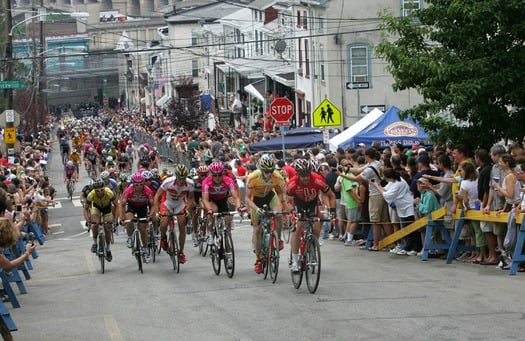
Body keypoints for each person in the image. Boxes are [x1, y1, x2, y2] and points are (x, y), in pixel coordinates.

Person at [286, 159, 336, 272]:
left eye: (307, 175)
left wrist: (333, 212)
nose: (306, 178)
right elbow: (287, 200)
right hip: (298, 204)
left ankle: (313, 248)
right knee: (297, 229)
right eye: (302, 176)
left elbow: (331, 195)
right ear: (297, 174)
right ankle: (295, 261)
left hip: (312, 203)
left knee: (316, 228)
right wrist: (293, 210)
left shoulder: (318, 180)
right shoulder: (292, 183)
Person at [244, 155, 287, 274]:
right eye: (266, 171)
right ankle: (258, 260)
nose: (269, 174)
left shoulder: (276, 176)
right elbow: (247, 198)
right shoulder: (253, 177)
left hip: (270, 196)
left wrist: (286, 202)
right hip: (255, 199)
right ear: (261, 170)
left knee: (278, 214)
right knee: (257, 230)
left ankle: (278, 239)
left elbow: (286, 191)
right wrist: (256, 209)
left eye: (271, 171)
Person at [201, 162, 245, 269]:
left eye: (219, 175)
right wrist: (209, 210)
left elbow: (235, 197)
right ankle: (210, 233)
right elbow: (205, 200)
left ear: (223, 174)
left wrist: (238, 207)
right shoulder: (206, 182)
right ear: (211, 174)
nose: (217, 177)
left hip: (222, 200)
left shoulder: (228, 180)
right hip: (211, 200)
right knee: (213, 210)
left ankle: (229, 256)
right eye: (214, 175)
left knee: (226, 230)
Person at [151, 164, 195, 265]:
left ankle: (181, 253)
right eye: (179, 178)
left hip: (180, 203)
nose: (181, 181)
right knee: (163, 222)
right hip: (167, 203)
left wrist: (187, 209)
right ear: (176, 176)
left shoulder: (190, 183)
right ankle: (163, 237)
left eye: (183, 178)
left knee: (182, 224)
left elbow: (191, 198)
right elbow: (157, 196)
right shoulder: (168, 182)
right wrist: (157, 211)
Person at [372, 168, 416, 255]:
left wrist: (377, 186)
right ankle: (404, 246)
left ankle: (408, 247)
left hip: (407, 207)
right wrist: (377, 185)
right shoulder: (394, 181)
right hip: (402, 207)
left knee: (408, 229)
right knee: (404, 228)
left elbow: (387, 195)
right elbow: (386, 189)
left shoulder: (398, 183)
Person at [120, 172, 154, 263]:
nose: (139, 187)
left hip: (142, 207)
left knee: (143, 230)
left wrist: (150, 215)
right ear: (133, 184)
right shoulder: (128, 191)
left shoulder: (148, 191)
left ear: (143, 183)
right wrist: (122, 217)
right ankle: (130, 237)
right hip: (131, 205)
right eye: (136, 185)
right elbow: (122, 205)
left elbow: (152, 205)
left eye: (141, 184)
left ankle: (146, 250)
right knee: (129, 221)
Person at [85, 178, 117, 261]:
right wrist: (87, 220)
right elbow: (85, 208)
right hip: (96, 208)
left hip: (107, 208)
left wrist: (115, 218)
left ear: (104, 188)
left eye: (101, 190)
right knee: (95, 224)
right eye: (97, 190)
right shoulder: (91, 194)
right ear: (94, 190)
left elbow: (116, 205)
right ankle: (95, 243)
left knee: (107, 227)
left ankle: (108, 249)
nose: (99, 192)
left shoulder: (109, 192)